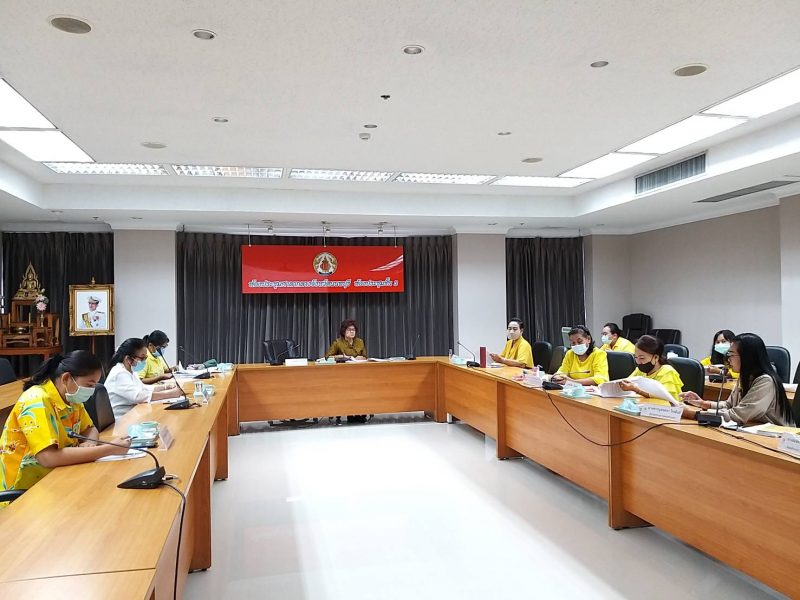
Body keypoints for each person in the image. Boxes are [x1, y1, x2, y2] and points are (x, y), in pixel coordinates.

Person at [0, 351, 131, 505]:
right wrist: (110, 449)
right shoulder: (36, 401)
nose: (91, 390)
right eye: (89, 385)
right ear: (66, 378)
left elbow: (90, 428)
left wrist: (90, 443)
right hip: (23, 490)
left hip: (57, 476)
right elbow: (48, 458)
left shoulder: (70, 398)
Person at [681, 333, 796, 425]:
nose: (728, 359)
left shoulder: (765, 381)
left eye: (731, 355)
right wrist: (704, 403)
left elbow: (737, 415)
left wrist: (693, 414)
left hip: (778, 438)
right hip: (752, 429)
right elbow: (729, 405)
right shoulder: (744, 377)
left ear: (746, 357)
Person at [105, 338, 183, 418]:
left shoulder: (131, 371)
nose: (144, 361)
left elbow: (143, 388)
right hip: (122, 419)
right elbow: (138, 396)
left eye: (145, 358)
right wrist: (170, 394)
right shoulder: (119, 373)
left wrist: (165, 387)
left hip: (133, 414)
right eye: (142, 358)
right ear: (128, 359)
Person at [619, 335, 684, 406]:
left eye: (642, 358)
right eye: (636, 357)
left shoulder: (667, 371)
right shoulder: (640, 370)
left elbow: (667, 401)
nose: (638, 362)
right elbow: (627, 382)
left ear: (656, 357)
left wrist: (637, 390)